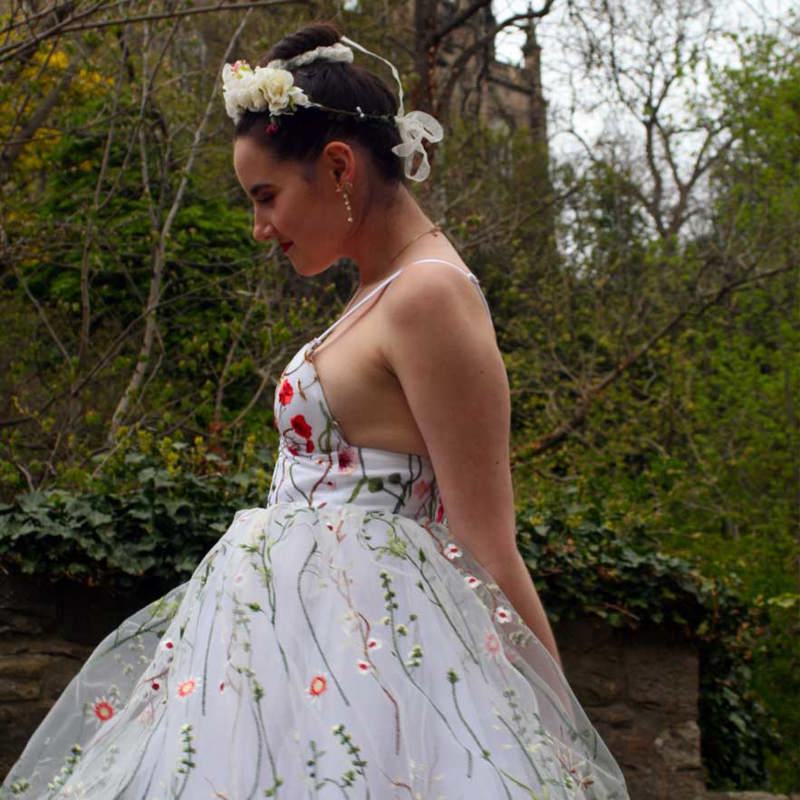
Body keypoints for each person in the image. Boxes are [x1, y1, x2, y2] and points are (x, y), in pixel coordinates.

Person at [0, 21, 630, 800]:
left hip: (379, 666)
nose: (260, 228)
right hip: (297, 657)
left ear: (338, 167)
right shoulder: (377, 290)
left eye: (265, 197)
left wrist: (554, 729)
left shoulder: (430, 295)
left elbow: (485, 540)